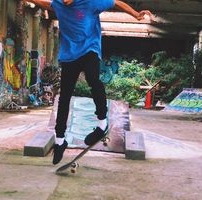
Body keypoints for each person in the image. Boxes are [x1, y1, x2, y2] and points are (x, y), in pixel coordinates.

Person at [25, 0, 153, 164]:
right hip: (69, 56)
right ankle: (59, 141)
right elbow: (41, 2)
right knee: (64, 97)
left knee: (93, 80)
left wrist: (135, 14)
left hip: (89, 50)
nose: (65, 1)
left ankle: (101, 123)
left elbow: (116, 3)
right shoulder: (57, 4)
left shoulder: (91, 3)